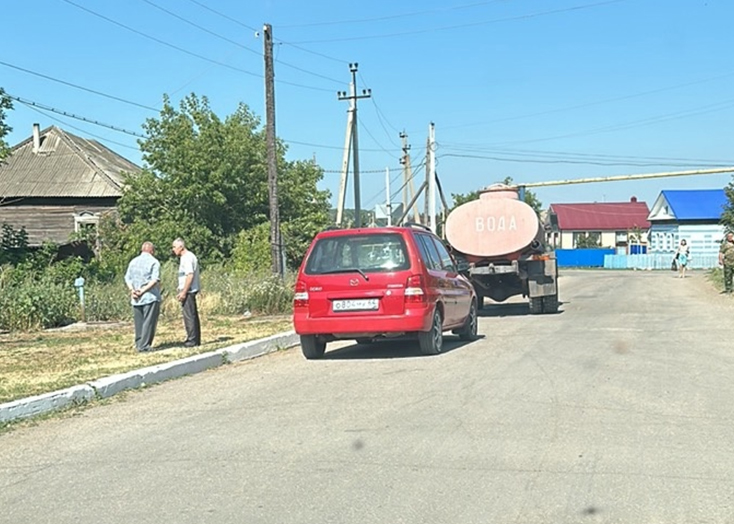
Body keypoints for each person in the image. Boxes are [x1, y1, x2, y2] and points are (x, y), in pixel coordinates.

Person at [124, 242, 161, 352]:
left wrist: (132, 290)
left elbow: (127, 278)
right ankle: (144, 346)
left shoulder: (133, 261)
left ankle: (139, 343)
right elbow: (155, 280)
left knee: (138, 322)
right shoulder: (154, 262)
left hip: (135, 297)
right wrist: (143, 290)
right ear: (152, 251)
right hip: (150, 296)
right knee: (149, 322)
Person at [172, 237, 201, 347]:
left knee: (189, 316)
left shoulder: (186, 258)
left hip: (188, 291)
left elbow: (190, 275)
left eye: (174, 247)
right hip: (189, 289)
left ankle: (192, 340)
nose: (173, 249)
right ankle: (195, 339)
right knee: (192, 314)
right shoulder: (189, 257)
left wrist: (184, 291)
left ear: (181, 247)